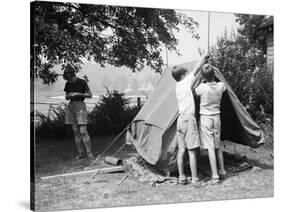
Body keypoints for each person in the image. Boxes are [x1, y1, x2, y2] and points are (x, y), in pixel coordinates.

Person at [171, 53, 208, 186]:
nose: (187, 76)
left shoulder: (176, 86)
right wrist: (203, 56)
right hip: (189, 120)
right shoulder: (185, 82)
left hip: (180, 120)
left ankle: (181, 177)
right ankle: (194, 178)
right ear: (182, 76)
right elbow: (197, 68)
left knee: (181, 150)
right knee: (192, 151)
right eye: (184, 74)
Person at [195, 63, 227, 184]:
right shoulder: (220, 86)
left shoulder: (201, 88)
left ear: (203, 77)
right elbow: (223, 83)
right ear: (214, 74)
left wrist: (202, 76)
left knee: (210, 148)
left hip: (206, 118)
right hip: (216, 117)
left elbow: (195, 91)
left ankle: (215, 176)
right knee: (217, 146)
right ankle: (222, 171)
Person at [63, 64, 94, 160]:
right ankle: (81, 153)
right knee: (76, 132)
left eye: (70, 79)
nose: (69, 81)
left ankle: (89, 153)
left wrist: (78, 94)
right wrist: (69, 96)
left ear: (73, 75)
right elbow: (66, 96)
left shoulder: (82, 82)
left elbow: (90, 95)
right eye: (68, 79)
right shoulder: (68, 84)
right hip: (71, 106)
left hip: (80, 106)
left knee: (83, 131)